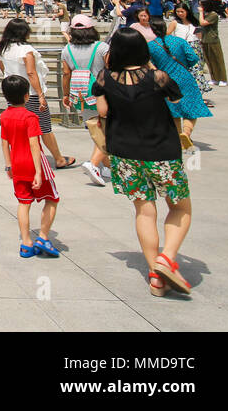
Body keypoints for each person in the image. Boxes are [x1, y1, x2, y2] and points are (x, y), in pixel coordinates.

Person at [92, 28, 193, 296]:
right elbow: (177, 98)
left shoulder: (104, 78)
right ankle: (166, 258)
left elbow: (102, 111)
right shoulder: (158, 77)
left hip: (125, 153)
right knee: (180, 208)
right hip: (161, 151)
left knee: (144, 211)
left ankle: (155, 276)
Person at [0, 19, 74, 170]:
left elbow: (3, 68)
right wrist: (40, 94)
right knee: (43, 127)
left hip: (13, 93)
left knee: (18, 128)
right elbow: (31, 73)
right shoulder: (26, 50)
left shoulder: (1, 48)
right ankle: (58, 159)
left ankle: (16, 160)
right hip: (29, 94)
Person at [0, 75, 61, 258]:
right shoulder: (30, 117)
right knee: (52, 198)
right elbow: (34, 144)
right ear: (27, 96)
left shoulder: (4, 116)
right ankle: (42, 236)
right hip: (33, 164)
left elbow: (4, 143)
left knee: (23, 202)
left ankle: (26, 242)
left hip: (16, 164)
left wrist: (8, 165)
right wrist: (39, 172)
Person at [60, 15, 111, 186]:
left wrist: (66, 94)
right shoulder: (101, 47)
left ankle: (107, 167)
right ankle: (95, 164)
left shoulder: (67, 49)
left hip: (80, 92)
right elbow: (111, 67)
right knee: (108, 129)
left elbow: (66, 73)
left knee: (96, 129)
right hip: (102, 92)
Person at [147, 19, 211, 151]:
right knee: (192, 109)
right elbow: (193, 58)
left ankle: (178, 138)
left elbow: (150, 65)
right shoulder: (179, 41)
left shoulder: (151, 45)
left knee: (174, 111)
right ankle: (186, 134)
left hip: (165, 81)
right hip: (185, 78)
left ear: (153, 30)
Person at [171, 4, 214, 96]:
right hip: (181, 48)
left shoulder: (194, 22)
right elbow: (167, 35)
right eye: (178, 11)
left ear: (187, 11)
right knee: (185, 71)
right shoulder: (175, 23)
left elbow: (200, 35)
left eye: (182, 11)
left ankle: (198, 93)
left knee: (197, 70)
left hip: (195, 47)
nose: (180, 14)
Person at [199, 4, 227, 87]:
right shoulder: (205, 14)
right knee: (209, 60)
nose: (199, 7)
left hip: (213, 40)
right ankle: (214, 78)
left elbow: (202, 23)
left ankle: (223, 79)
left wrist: (200, 13)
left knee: (218, 60)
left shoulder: (213, 15)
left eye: (201, 5)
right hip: (205, 39)